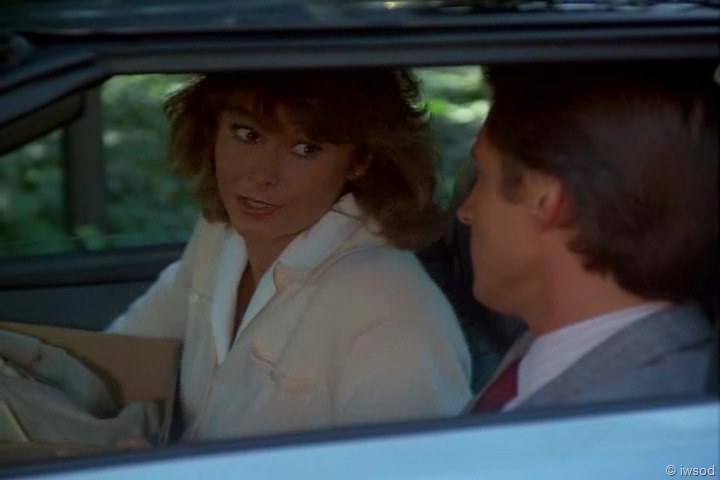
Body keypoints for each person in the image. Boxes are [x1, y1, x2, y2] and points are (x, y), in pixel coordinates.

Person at [109, 69, 472, 439]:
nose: (263, 175)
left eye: (305, 149)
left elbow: (417, 464)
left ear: (360, 160)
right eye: (247, 135)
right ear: (212, 130)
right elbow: (122, 357)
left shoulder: (393, 309)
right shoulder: (219, 236)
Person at [457, 63, 717, 412]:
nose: (466, 211)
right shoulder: (554, 352)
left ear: (545, 199)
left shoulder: (641, 417)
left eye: (483, 177)